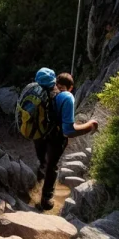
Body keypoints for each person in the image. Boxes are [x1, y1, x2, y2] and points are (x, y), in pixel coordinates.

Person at [33, 68, 98, 211]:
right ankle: (46, 200)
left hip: (38, 134)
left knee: (42, 161)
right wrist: (90, 126)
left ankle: (35, 188)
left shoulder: (35, 94)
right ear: (53, 82)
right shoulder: (66, 98)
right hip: (56, 138)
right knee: (52, 166)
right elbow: (68, 130)